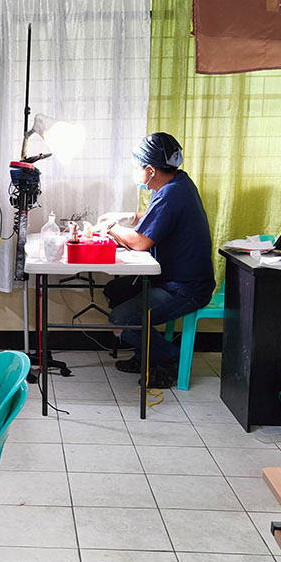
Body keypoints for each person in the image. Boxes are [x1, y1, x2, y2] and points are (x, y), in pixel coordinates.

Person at [98, 132, 214, 388]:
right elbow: (156, 216)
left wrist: (111, 229)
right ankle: (144, 356)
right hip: (170, 279)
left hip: (185, 289)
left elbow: (140, 242)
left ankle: (170, 362)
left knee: (122, 319)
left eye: (137, 167)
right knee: (114, 290)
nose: (135, 172)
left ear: (150, 170)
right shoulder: (178, 183)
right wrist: (128, 216)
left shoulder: (172, 194)